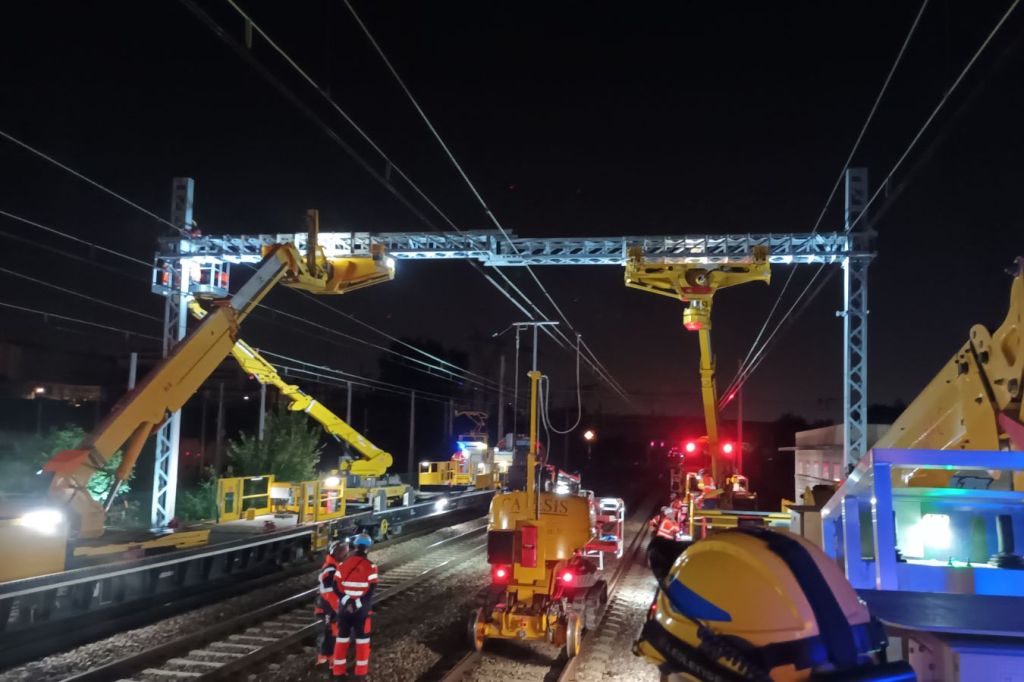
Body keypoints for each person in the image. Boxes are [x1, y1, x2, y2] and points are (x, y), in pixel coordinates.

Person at [332, 533, 378, 677]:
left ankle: (338, 672)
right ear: (367, 548)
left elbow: (335, 587)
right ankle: (360, 674)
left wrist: (347, 601)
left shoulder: (342, 565)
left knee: (341, 640)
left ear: (355, 546)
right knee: (362, 642)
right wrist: (356, 603)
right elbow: (370, 591)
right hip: (361, 611)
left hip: (344, 610)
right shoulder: (371, 567)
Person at [314, 540, 348, 666]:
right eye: (342, 552)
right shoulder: (330, 570)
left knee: (333, 631)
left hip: (330, 607)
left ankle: (330, 658)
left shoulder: (335, 567)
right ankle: (325, 658)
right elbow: (330, 594)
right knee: (328, 631)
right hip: (327, 608)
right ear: (334, 553)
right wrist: (339, 609)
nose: (345, 554)